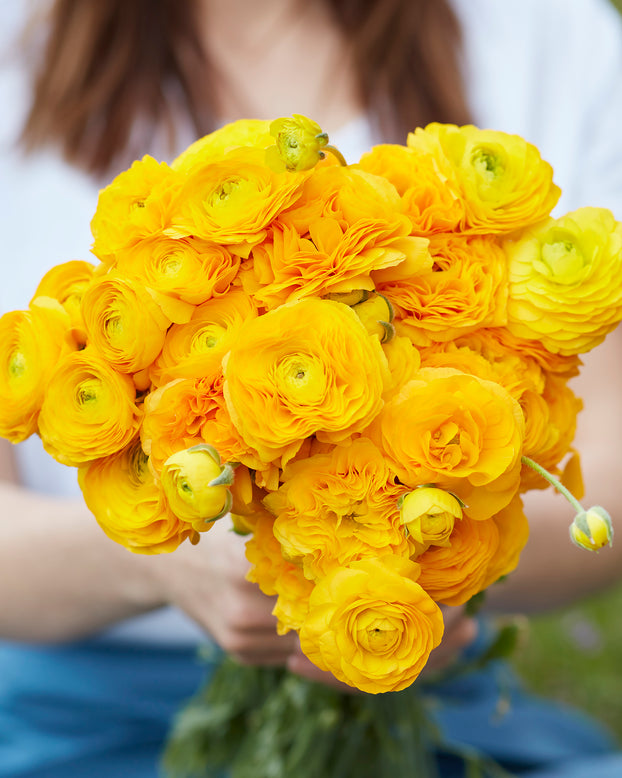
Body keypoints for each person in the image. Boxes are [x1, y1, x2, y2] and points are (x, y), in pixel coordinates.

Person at [1, 0, 622, 776]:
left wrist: (410, 580)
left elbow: (610, 469)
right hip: (86, 707)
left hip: (433, 697)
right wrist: (152, 565)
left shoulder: (544, 34)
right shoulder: (15, 47)